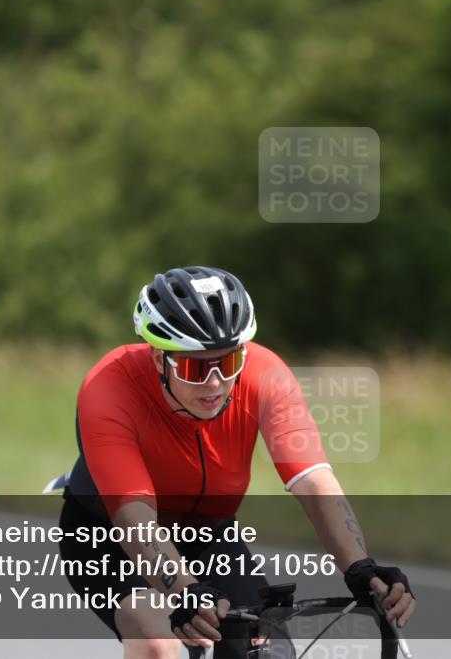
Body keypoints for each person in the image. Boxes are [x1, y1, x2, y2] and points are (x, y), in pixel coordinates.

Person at [58, 266, 415, 659]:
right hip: (109, 535)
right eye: (196, 368)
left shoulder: (265, 375)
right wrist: (184, 590)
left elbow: (313, 481)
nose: (214, 384)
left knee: (262, 649)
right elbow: (134, 514)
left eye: (227, 364)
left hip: (209, 533)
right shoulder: (110, 386)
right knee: (158, 641)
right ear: (160, 358)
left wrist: (360, 567)